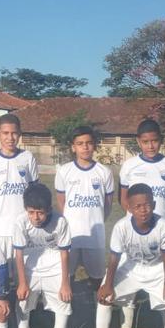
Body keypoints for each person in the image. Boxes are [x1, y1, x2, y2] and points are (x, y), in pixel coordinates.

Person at [84, 184, 165, 328]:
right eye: (137, 206)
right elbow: (114, 258)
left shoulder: (164, 225)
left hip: (157, 269)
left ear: (153, 203)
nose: (143, 210)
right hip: (131, 267)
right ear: (129, 208)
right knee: (104, 298)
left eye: (147, 205)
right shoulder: (121, 227)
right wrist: (108, 284)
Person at [12, 183, 73, 328]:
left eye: (40, 212)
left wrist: (65, 283)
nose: (36, 217)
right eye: (31, 212)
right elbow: (18, 253)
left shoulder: (60, 221)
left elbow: (64, 253)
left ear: (49, 209)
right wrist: (22, 283)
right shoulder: (21, 222)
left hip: (54, 265)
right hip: (30, 265)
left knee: (63, 301)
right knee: (23, 303)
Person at [55, 126, 114, 298]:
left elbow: (107, 205)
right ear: (73, 147)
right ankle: (68, 316)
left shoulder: (104, 172)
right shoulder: (64, 171)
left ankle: (100, 313)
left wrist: (96, 219)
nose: (85, 147)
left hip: (95, 235)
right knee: (67, 277)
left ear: (94, 145)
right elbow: (61, 202)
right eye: (80, 144)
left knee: (97, 279)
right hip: (71, 236)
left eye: (89, 143)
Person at [0, 113, 39, 259]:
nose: (10, 138)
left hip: (24, 226)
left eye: (14, 133)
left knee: (22, 274)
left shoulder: (27, 157)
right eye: (5, 133)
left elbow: (36, 193)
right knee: (0, 274)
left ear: (19, 134)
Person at [119, 119, 165, 221]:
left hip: (163, 226)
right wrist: (138, 219)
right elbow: (123, 200)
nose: (150, 146)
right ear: (138, 141)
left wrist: (164, 216)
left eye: (155, 141)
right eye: (145, 142)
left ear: (160, 139)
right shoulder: (129, 165)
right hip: (137, 228)